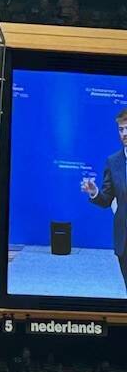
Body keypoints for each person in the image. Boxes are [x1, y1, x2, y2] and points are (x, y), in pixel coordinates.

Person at [81, 108, 127, 287]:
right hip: (125, 240)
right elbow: (106, 199)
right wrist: (94, 192)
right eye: (121, 129)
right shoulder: (113, 162)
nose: (124, 134)